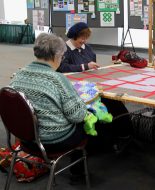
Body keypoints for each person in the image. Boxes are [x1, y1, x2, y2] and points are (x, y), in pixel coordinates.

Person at [9, 33, 89, 175]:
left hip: (26, 138)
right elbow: (77, 116)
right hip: (53, 140)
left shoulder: (17, 76)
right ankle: (78, 174)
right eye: (62, 57)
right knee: (86, 124)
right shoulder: (57, 79)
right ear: (56, 56)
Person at [56, 22, 133, 153]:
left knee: (115, 102)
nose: (84, 40)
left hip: (92, 85)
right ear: (74, 36)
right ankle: (107, 137)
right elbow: (62, 68)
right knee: (108, 104)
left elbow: (93, 63)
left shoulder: (87, 48)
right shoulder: (64, 49)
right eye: (82, 37)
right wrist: (84, 66)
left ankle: (123, 134)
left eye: (86, 37)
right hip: (78, 91)